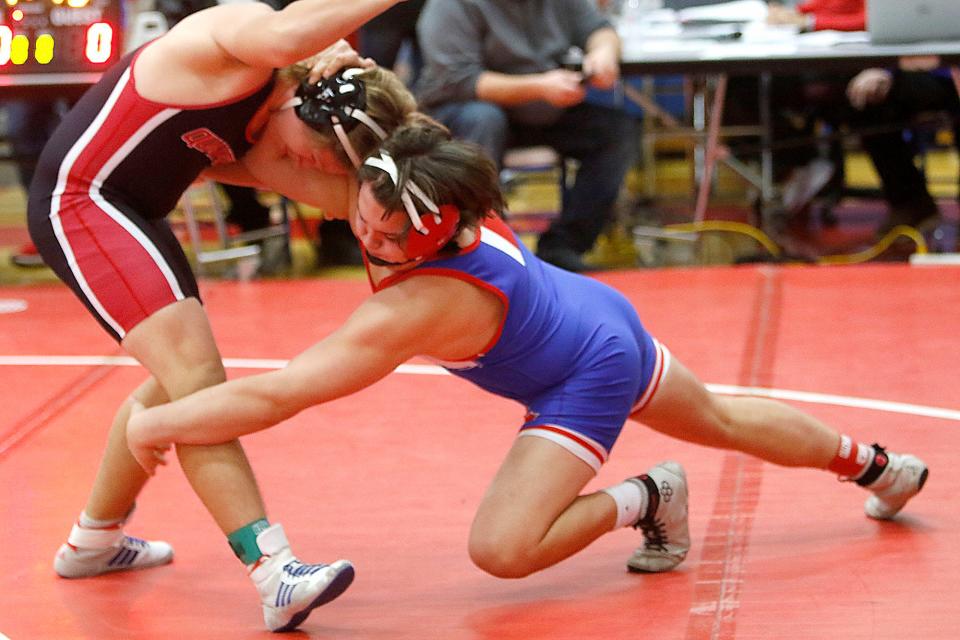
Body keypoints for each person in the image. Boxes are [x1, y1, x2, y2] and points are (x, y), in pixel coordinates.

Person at [126, 124, 928, 584]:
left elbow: (284, 394)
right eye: (360, 216)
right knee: (716, 415)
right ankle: (878, 465)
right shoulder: (418, 183)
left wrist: (157, 427)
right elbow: (293, 153)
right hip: (587, 311)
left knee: (502, 550)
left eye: (380, 234)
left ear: (436, 233)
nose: (360, 234)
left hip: (587, 369)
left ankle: (648, 496)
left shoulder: (421, 299)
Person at [26, 0, 417, 632]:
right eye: (315, 154)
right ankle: (273, 572)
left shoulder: (270, 125)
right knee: (198, 382)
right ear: (302, 104)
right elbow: (293, 30)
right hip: (82, 202)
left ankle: (92, 542)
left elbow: (351, 199)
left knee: (173, 384)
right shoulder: (233, 39)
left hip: (131, 211)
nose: (310, 165)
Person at [415, 0, 637, 273]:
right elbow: (460, 80)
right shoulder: (451, 5)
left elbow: (599, 29)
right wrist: (539, 87)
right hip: (462, 111)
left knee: (617, 130)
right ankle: (486, 242)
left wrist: (603, 53)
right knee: (483, 119)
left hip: (543, 108)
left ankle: (563, 245)